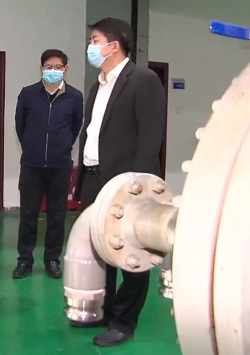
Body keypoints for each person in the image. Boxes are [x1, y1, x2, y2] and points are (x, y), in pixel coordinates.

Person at [74, 18, 166, 347]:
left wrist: (137, 189)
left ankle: (125, 322)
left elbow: (150, 137)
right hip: (94, 179)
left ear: (113, 46)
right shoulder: (97, 85)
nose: (90, 46)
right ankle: (106, 310)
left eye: (94, 40)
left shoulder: (143, 80)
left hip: (127, 184)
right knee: (101, 249)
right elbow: (92, 134)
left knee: (131, 254)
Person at [13, 49, 83, 279]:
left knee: (56, 216)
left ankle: (52, 259)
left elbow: (75, 127)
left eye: (58, 67)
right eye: (48, 67)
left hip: (60, 165)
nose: (53, 71)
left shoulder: (74, 96)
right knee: (28, 215)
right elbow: (20, 126)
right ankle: (24, 260)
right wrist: (31, 147)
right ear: (41, 68)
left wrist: (60, 147)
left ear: (66, 69)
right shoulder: (28, 94)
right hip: (31, 165)